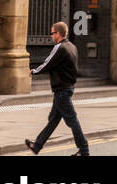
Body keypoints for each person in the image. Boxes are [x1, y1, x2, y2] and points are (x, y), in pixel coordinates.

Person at [25, 21, 89, 156]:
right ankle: (37, 146)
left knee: (72, 120)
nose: (51, 36)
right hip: (67, 88)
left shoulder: (60, 47)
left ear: (58, 34)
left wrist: (34, 71)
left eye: (52, 33)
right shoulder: (72, 47)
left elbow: (47, 63)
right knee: (53, 119)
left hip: (62, 90)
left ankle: (84, 150)